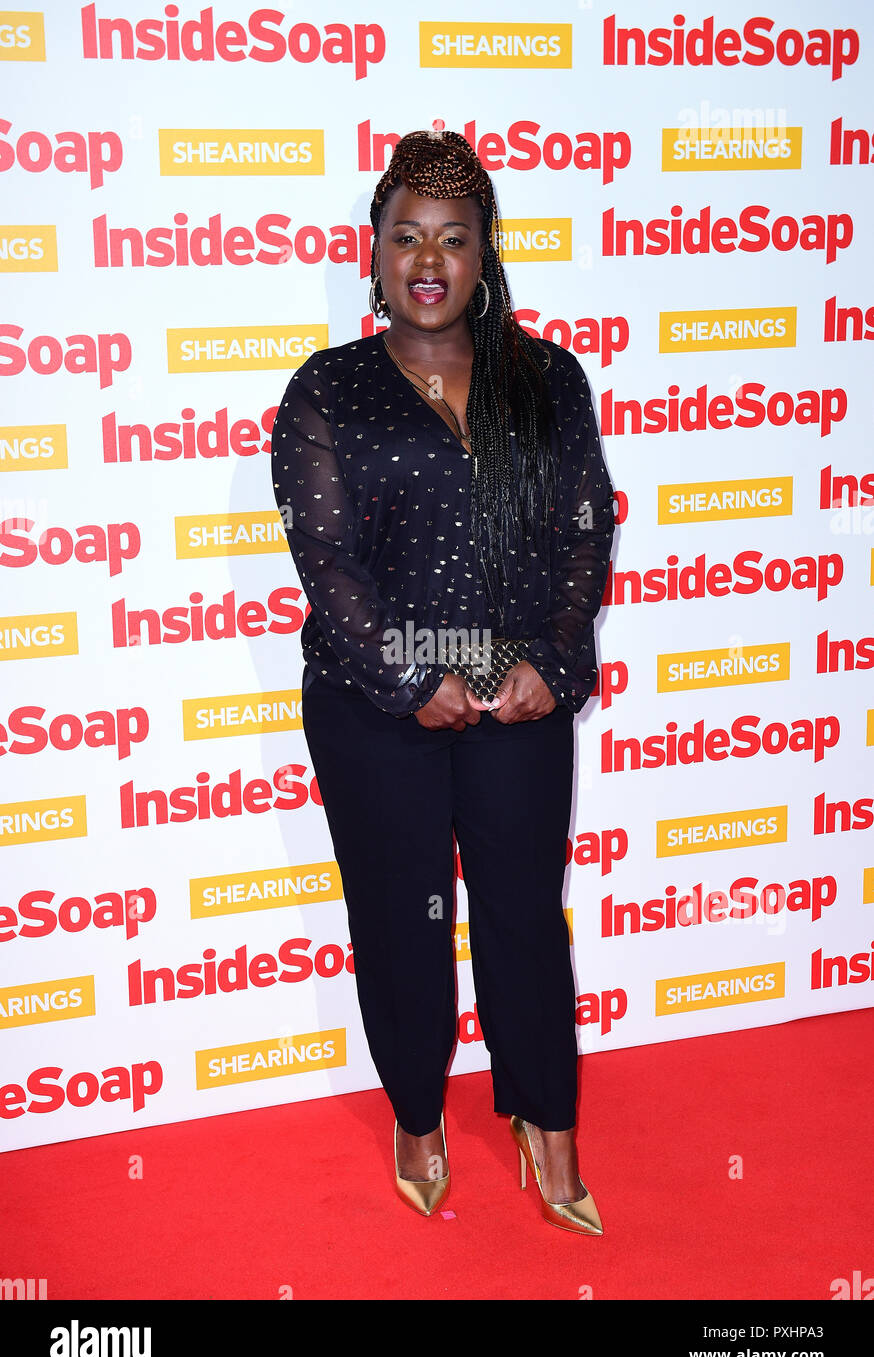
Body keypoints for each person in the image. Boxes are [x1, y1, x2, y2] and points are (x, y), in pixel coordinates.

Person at [270, 127, 616, 1234]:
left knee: (521, 913)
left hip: (517, 695)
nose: (428, 258)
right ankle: (416, 1115)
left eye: (452, 238)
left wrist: (551, 667)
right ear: (373, 255)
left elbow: (580, 532)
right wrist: (410, 675)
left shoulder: (546, 378)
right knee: (405, 915)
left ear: (484, 254)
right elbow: (328, 565)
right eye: (405, 236)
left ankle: (545, 1124)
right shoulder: (328, 390)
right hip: (380, 711)